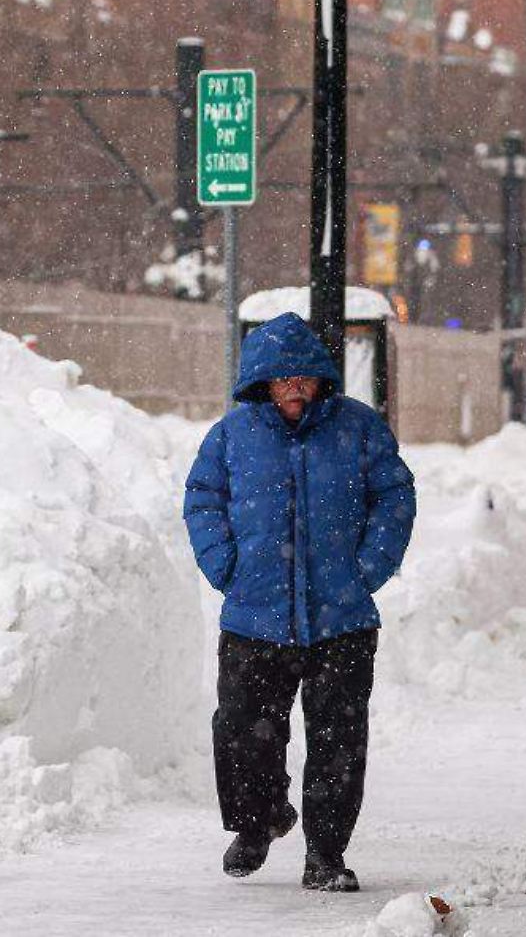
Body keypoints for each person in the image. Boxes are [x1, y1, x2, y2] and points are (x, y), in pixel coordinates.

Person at [182, 312, 416, 893]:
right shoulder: (231, 436)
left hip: (342, 619)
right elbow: (202, 501)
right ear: (260, 383)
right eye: (280, 378)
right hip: (254, 617)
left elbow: (395, 496)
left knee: (338, 740)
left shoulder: (359, 429)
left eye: (303, 377)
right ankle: (259, 822)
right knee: (242, 731)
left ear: (320, 380)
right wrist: (226, 567)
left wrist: (367, 570)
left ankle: (326, 854)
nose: (293, 388)